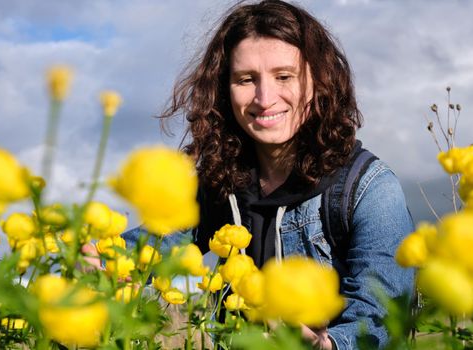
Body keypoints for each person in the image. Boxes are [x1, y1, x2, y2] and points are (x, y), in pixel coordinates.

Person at [122, 1, 414, 349]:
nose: (264, 98)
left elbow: (382, 314)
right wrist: (95, 255)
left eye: (283, 76)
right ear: (223, 90)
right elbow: (150, 248)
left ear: (318, 81)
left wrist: (326, 345)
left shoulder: (370, 188)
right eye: (246, 79)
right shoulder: (220, 182)